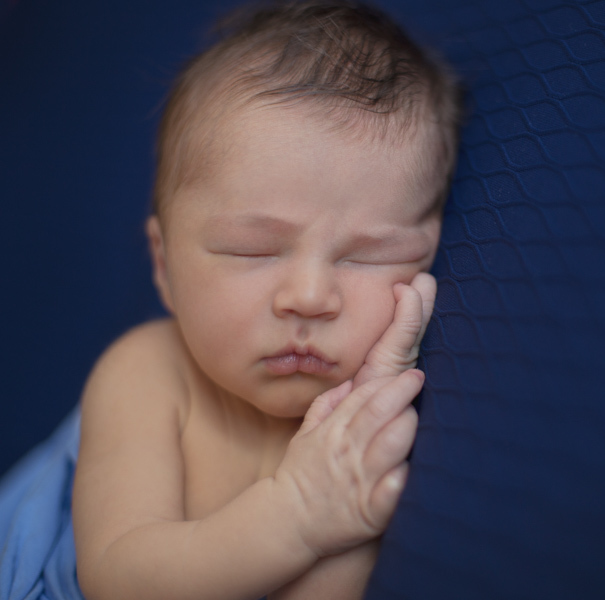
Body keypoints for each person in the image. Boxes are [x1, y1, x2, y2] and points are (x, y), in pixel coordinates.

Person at [70, 1, 461, 599]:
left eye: (369, 256)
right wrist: (299, 514)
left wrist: (371, 411)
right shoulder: (147, 373)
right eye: (253, 251)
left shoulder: (388, 428)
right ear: (163, 265)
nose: (309, 297)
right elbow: (116, 579)